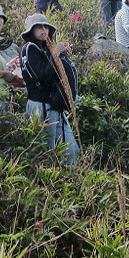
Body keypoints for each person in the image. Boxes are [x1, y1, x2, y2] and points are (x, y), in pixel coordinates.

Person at [19, 13, 80, 165]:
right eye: (38, 27)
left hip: (53, 106)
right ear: (31, 31)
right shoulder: (29, 48)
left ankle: (70, 176)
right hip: (41, 106)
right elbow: (42, 76)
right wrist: (55, 54)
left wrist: (62, 56)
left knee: (71, 150)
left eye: (46, 27)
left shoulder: (45, 50)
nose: (43, 30)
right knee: (46, 151)